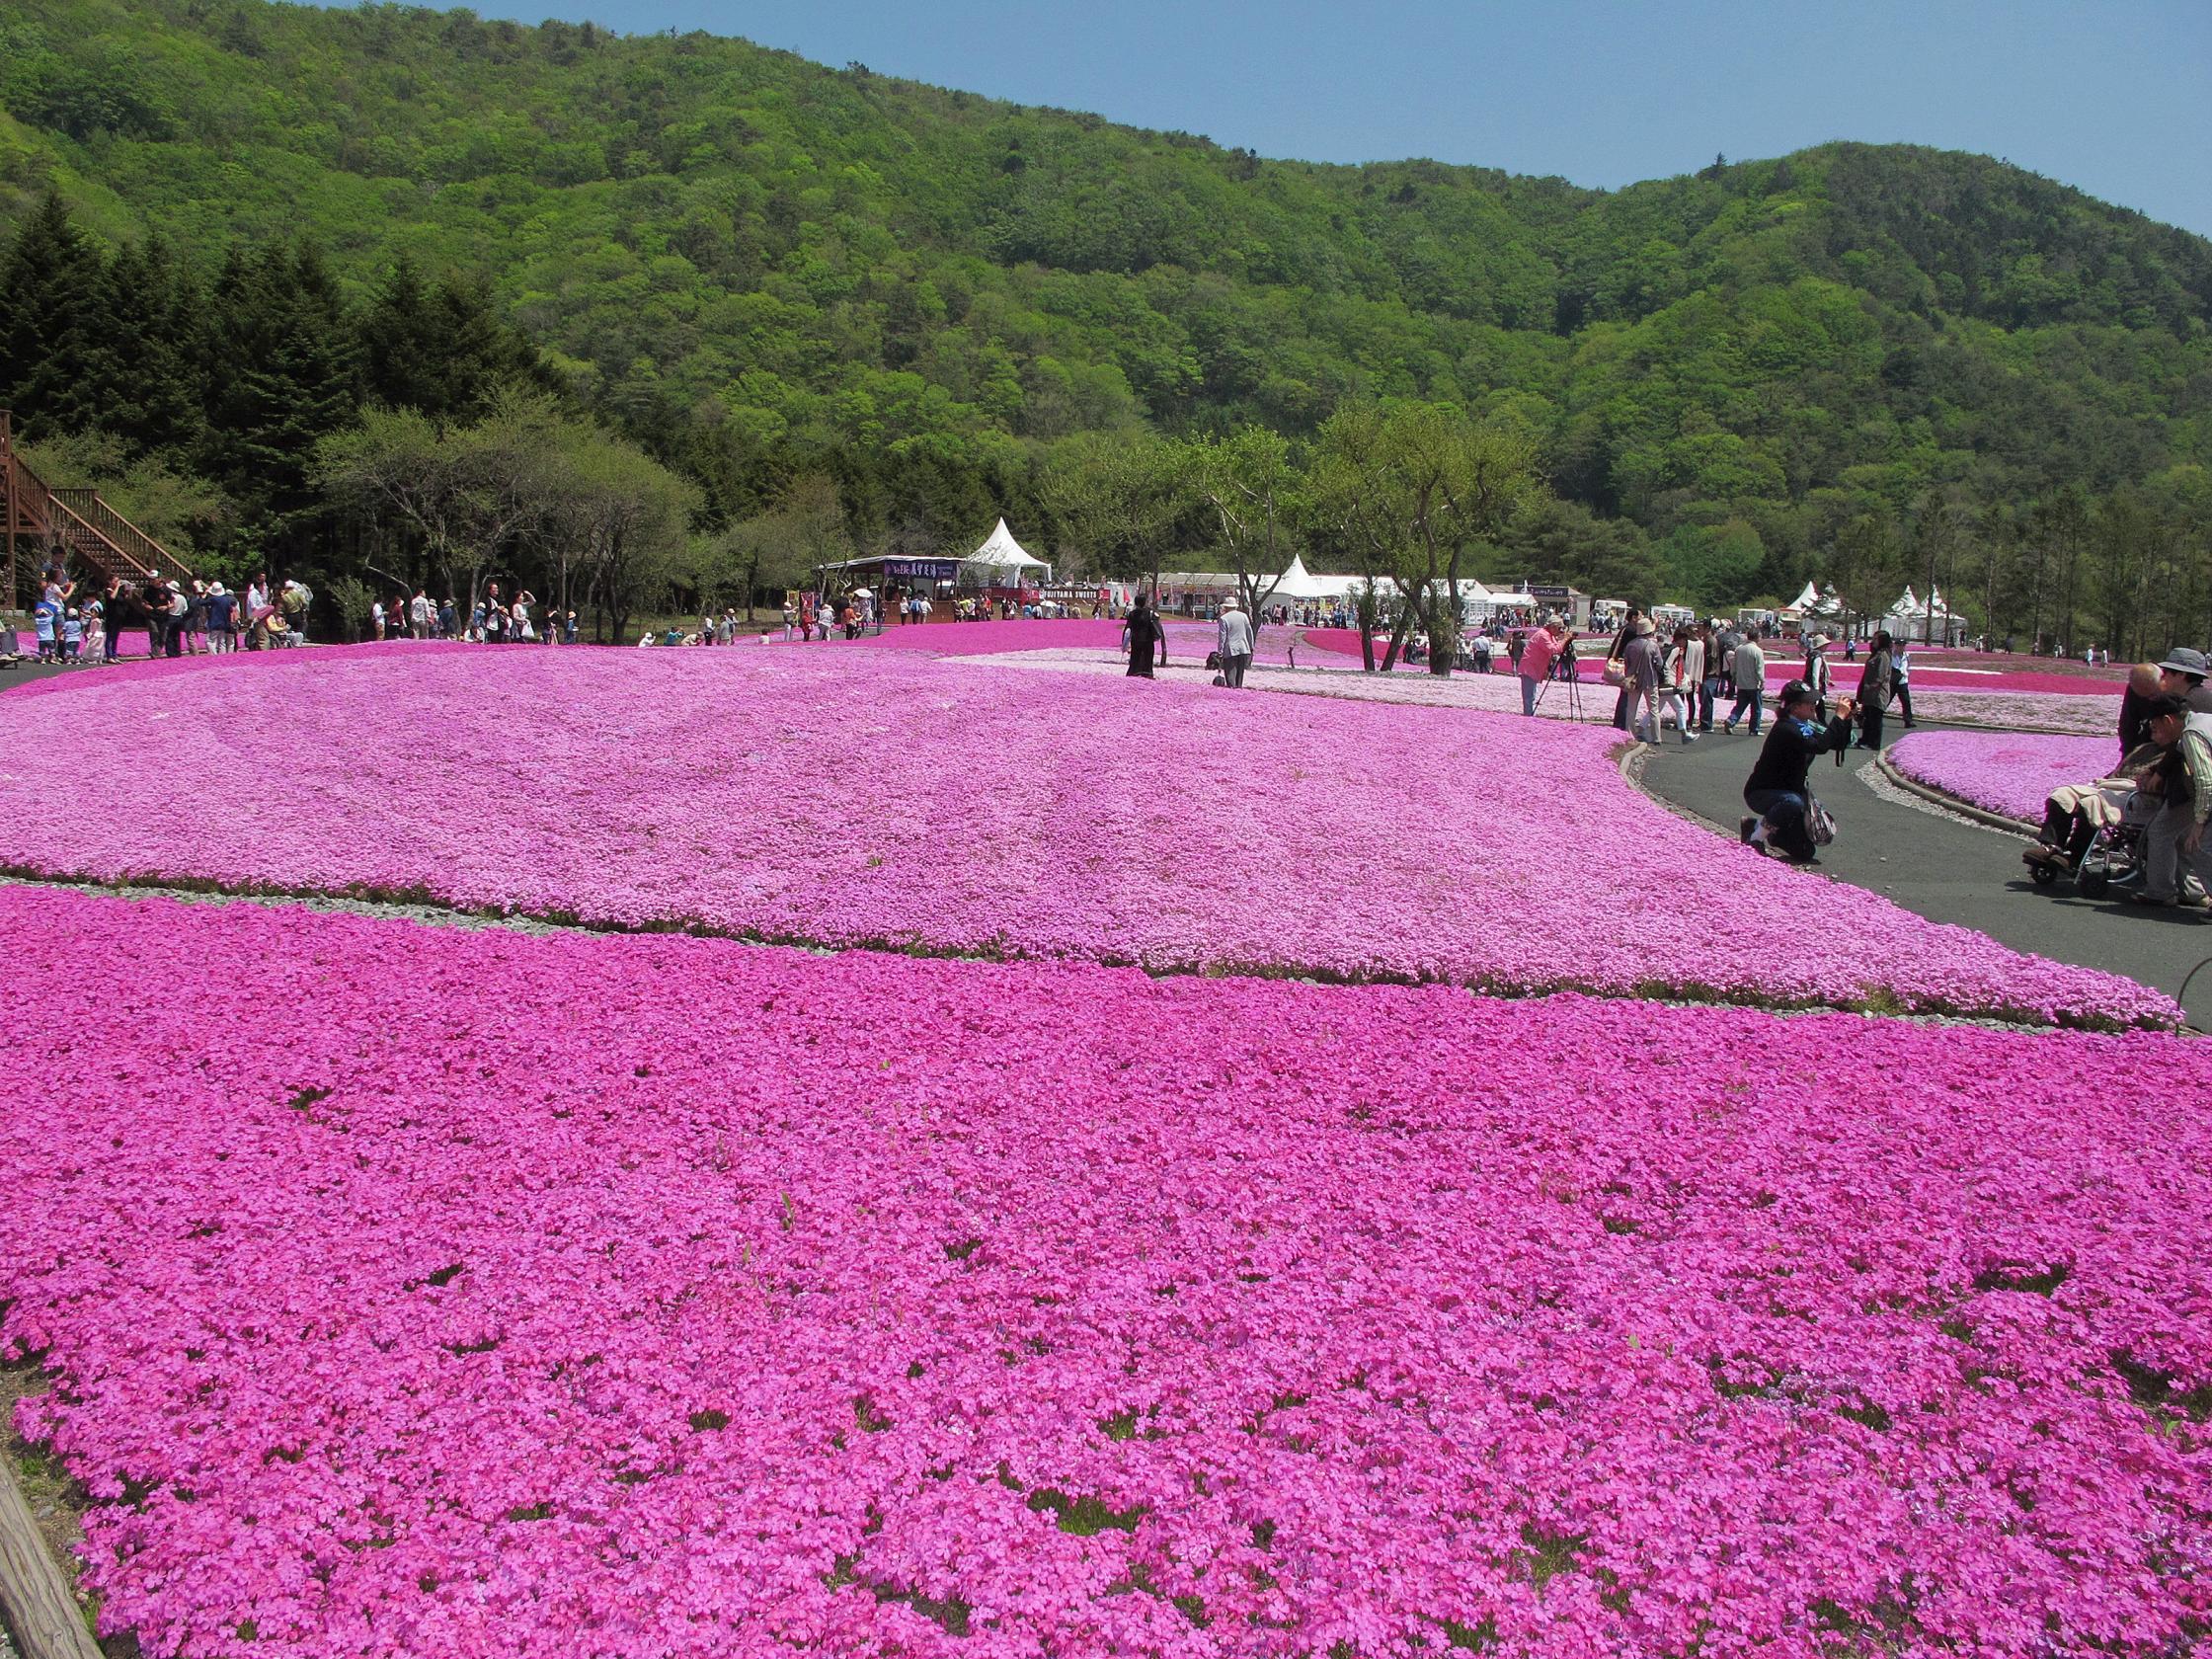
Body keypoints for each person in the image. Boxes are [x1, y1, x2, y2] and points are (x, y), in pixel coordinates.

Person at [1741, 680, 1857, 863]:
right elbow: (1819, 746)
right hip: (1763, 794)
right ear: (1795, 708)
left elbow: (1835, 742)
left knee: (1804, 851)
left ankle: (1756, 826)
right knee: (1792, 801)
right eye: (1809, 702)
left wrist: (1847, 719)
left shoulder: (1804, 726)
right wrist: (1838, 717)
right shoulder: (1786, 728)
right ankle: (1755, 838)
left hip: (1789, 794)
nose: (1814, 706)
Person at [2127, 695, 2212, 911]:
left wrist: (2200, 821)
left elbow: (2205, 780)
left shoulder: (2192, 734)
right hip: (2195, 795)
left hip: (2204, 793)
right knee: (2169, 832)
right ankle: (2163, 891)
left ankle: (2162, 891)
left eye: (2156, 727)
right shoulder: (2202, 720)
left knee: (2199, 845)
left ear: (2168, 720)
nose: (2155, 734)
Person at [1622, 616, 1662, 742]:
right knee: (1654, 709)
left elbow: (1626, 662)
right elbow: (1659, 664)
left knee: (1631, 709)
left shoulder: (1630, 645)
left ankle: (1630, 734)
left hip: (1633, 681)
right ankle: (1657, 737)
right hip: (1650, 680)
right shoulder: (1653, 646)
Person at [1659, 627, 1699, 744]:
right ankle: (1684, 734)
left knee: (1657, 709)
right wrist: (1668, 681)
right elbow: (1667, 665)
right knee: (1680, 708)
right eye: (1685, 640)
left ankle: (1641, 729)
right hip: (1669, 684)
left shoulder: (1670, 647)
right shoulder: (1676, 649)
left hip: (1666, 683)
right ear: (1681, 639)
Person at [1856, 631, 1894, 750]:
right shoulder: (1876, 654)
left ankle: (1874, 743)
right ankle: (1865, 739)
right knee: (1868, 718)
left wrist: (1871, 686)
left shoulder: (1883, 655)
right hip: (1870, 694)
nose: (1873, 641)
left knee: (1875, 719)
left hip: (1877, 693)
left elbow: (1881, 676)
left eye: (1876, 639)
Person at [1723, 630, 1767, 735]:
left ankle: (1731, 720)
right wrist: (1762, 681)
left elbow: (1734, 666)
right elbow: (1759, 669)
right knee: (1756, 707)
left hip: (1741, 683)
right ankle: (1754, 729)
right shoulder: (1757, 651)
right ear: (1757, 637)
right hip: (1753, 683)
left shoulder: (1739, 649)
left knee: (1740, 705)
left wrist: (1734, 676)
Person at [1517, 616, 1559, 716]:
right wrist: (1565, 640)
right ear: (1553, 627)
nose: (1560, 631)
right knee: (1529, 697)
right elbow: (1553, 649)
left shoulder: (1549, 635)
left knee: (1531, 695)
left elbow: (1556, 647)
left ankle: (1529, 715)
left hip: (1533, 668)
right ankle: (1528, 717)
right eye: (1559, 628)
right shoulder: (1543, 635)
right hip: (1529, 668)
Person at [1122, 592, 1164, 679]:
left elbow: (1128, 628)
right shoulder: (1150, 613)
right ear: (1145, 602)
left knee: (1135, 657)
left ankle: (1133, 672)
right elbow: (1156, 622)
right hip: (1148, 639)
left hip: (1136, 639)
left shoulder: (1132, 614)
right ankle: (1148, 673)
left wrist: (1125, 642)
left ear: (1136, 603)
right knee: (1148, 657)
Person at [1216, 597, 1254, 688]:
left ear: (1226, 607)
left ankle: (1232, 689)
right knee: (1240, 672)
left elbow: (1222, 636)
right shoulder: (1244, 616)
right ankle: (1238, 687)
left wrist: (1220, 651)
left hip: (1230, 649)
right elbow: (1249, 631)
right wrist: (1251, 645)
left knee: (1230, 672)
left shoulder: (1224, 618)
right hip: (1243, 647)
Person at [1889, 640, 1916, 729]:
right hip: (1892, 681)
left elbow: (1908, 666)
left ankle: (1908, 720)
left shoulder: (1906, 655)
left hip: (1903, 681)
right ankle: (1874, 717)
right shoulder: (1890, 655)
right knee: (1886, 700)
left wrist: (1906, 674)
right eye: (1899, 645)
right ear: (1895, 646)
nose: (1901, 647)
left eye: (1903, 645)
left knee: (1906, 701)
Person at [204, 584, 236, 653]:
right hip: (224, 622)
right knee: (222, 642)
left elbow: (202, 602)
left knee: (210, 640)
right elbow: (230, 610)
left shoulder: (213, 599)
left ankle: (214, 655)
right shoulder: (226, 600)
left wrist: (205, 595)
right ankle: (223, 656)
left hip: (215, 623)